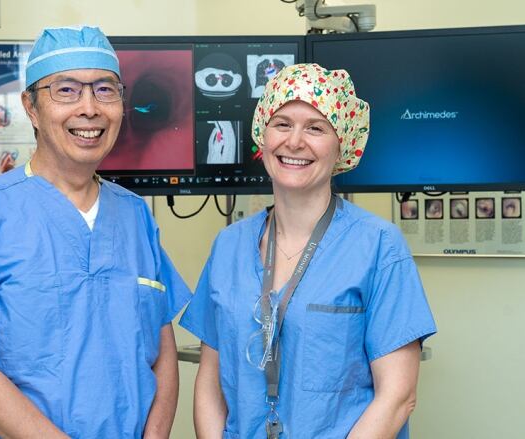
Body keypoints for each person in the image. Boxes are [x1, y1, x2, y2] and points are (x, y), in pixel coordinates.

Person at [0, 25, 190, 438]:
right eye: (66, 90)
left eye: (105, 90)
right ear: (31, 108)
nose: (89, 108)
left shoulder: (135, 215)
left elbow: (162, 354)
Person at [180, 63, 436, 438]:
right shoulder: (229, 245)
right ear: (262, 136)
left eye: (316, 127)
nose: (295, 141)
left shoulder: (378, 246)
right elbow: (209, 382)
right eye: (282, 124)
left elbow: (397, 396)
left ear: (342, 144)